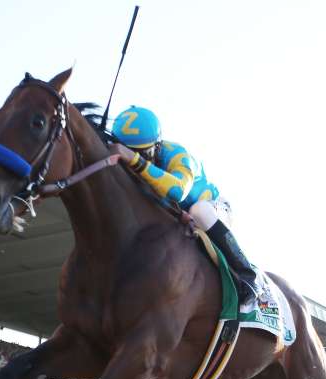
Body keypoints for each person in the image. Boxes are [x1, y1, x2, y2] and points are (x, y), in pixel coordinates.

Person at [110, 106, 262, 311]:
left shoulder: (179, 156)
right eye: (129, 152)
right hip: (178, 215)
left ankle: (247, 276)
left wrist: (133, 159)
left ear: (157, 145)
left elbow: (177, 191)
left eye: (143, 153)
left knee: (198, 211)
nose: (136, 158)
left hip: (214, 209)